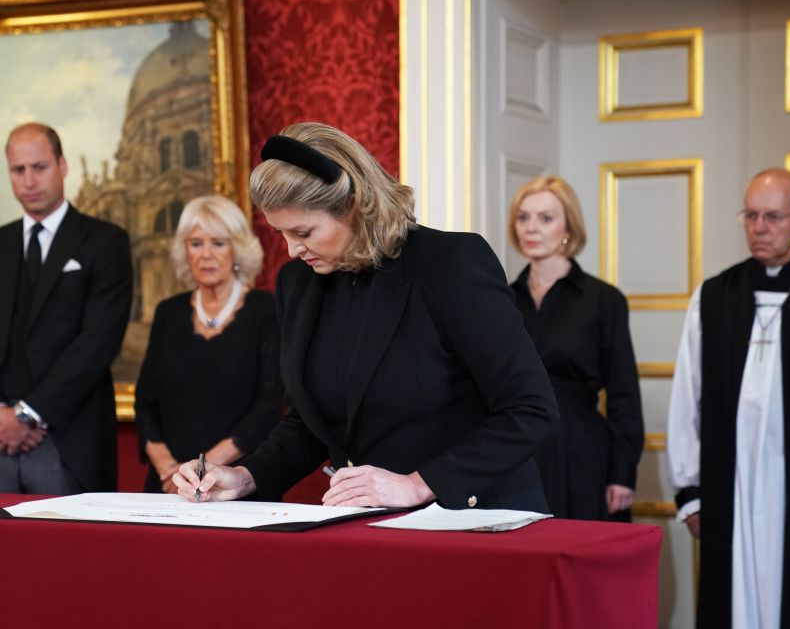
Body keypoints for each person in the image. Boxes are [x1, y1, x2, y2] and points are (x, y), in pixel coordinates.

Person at [172, 122, 559, 510]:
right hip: (367, 528)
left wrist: (417, 485)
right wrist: (245, 476)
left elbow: (529, 409)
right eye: (281, 234)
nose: (292, 250)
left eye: (304, 232)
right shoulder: (298, 284)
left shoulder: (450, 264)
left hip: (474, 524)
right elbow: (311, 425)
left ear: (353, 205)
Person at [667, 168, 790, 629]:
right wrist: (690, 492)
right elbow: (688, 394)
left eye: (773, 216)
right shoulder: (716, 296)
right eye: (751, 215)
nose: (759, 228)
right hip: (730, 484)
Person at [0, 122, 133, 494]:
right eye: (19, 170)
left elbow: (98, 341)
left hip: (70, 443)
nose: (29, 180)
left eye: (40, 167)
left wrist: (27, 415)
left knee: (71, 552)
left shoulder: (105, 242)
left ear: (62, 166)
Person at [508, 176, 643, 521]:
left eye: (545, 218)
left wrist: (622, 473)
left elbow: (623, 393)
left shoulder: (602, 300)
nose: (531, 228)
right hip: (516, 450)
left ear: (568, 227)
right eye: (523, 217)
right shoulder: (502, 298)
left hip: (581, 450)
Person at [134, 196, 284, 493]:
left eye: (218, 243)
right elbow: (145, 402)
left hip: (235, 485)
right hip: (168, 486)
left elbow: (268, 407)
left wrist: (202, 471)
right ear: (184, 251)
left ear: (237, 249)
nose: (206, 254)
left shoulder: (267, 311)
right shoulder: (169, 312)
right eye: (195, 243)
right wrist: (169, 470)